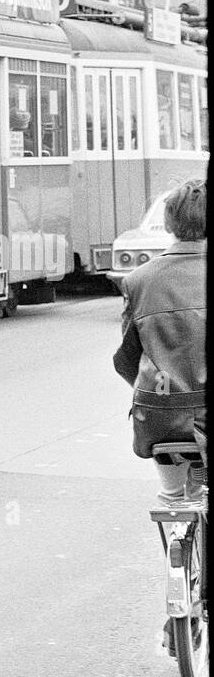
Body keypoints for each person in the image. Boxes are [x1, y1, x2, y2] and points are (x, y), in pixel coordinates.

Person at [112, 178, 207, 505]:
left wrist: (163, 392)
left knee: (172, 498)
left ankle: (174, 552)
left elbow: (125, 359)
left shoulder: (138, 280)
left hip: (160, 418)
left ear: (168, 223)